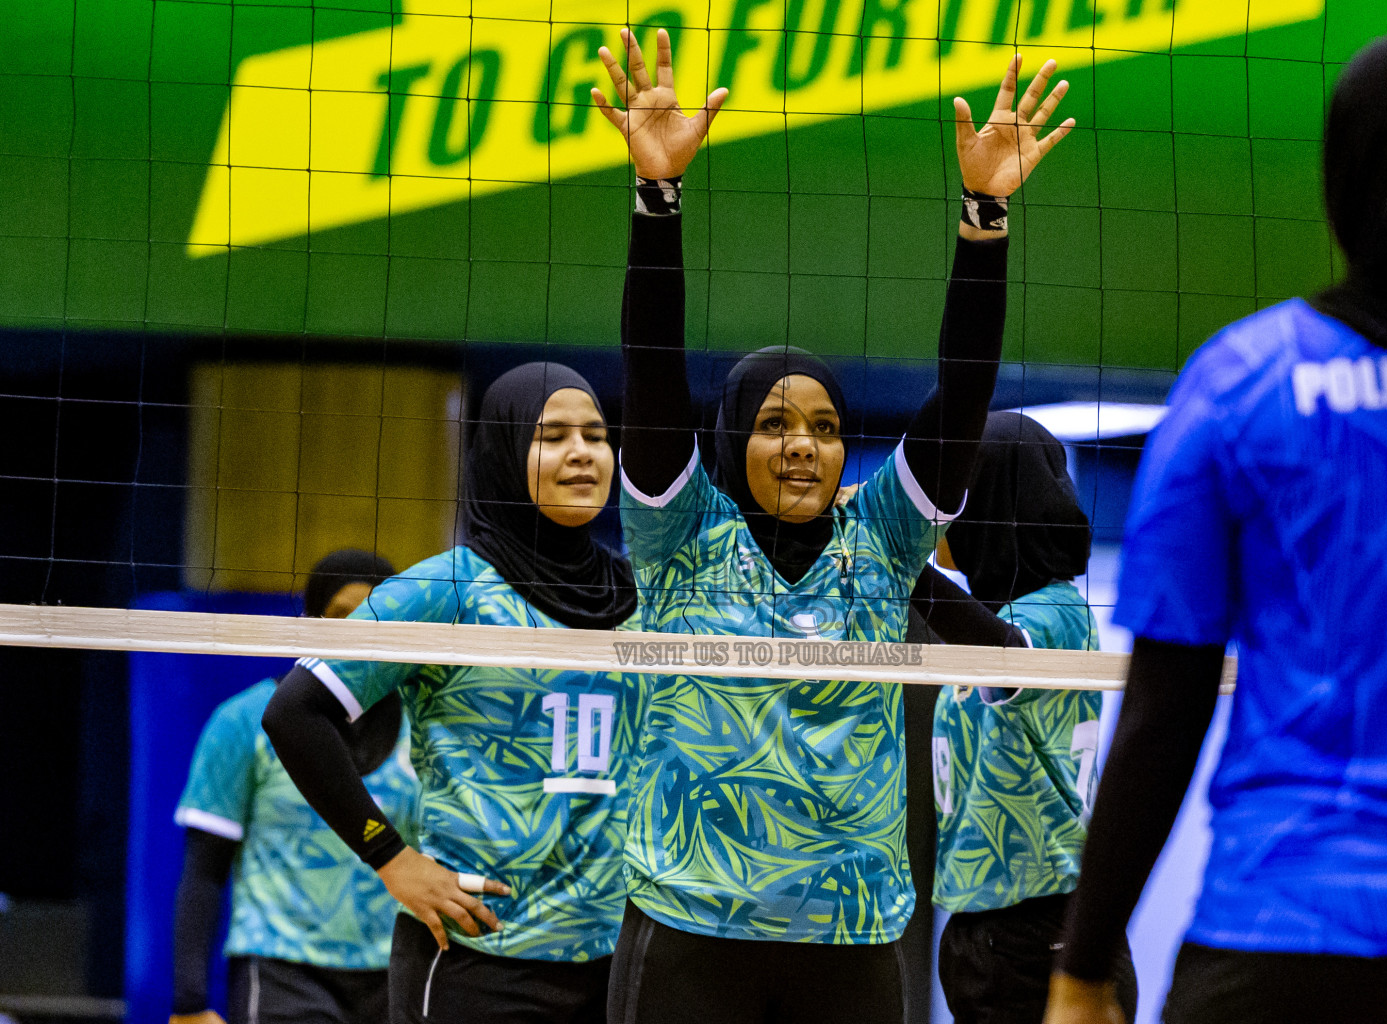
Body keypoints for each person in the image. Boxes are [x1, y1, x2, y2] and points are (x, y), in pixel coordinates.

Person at [1044, 32, 1387, 1024]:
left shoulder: (1244, 383)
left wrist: (1084, 965)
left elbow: (1164, 708)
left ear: (1344, 178)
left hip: (1287, 929)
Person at [594, 27, 1074, 1022]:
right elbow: (649, 373)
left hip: (853, 940)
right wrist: (657, 203)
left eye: (824, 427)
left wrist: (984, 216)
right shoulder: (680, 538)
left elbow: (961, 395)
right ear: (734, 440)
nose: (805, 445)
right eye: (775, 425)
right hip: (690, 928)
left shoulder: (886, 546)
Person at [262, 364, 639, 1024]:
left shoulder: (639, 593)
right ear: (503, 447)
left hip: (614, 962)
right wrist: (390, 857)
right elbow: (294, 712)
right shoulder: (445, 590)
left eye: (596, 434)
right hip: (479, 954)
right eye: (551, 436)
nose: (582, 452)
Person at [908, 412, 1136, 1024]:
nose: (934, 511)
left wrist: (901, 559)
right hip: (983, 929)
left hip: (1042, 932)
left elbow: (1006, 658)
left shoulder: (1056, 612)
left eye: (951, 495)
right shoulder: (990, 614)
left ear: (991, 503)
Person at [169, 549, 412, 1024]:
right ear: (310, 623)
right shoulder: (243, 722)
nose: (360, 633)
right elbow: (204, 870)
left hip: (397, 974)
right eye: (343, 616)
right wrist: (189, 1002)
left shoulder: (425, 728)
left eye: (379, 618)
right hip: (283, 970)